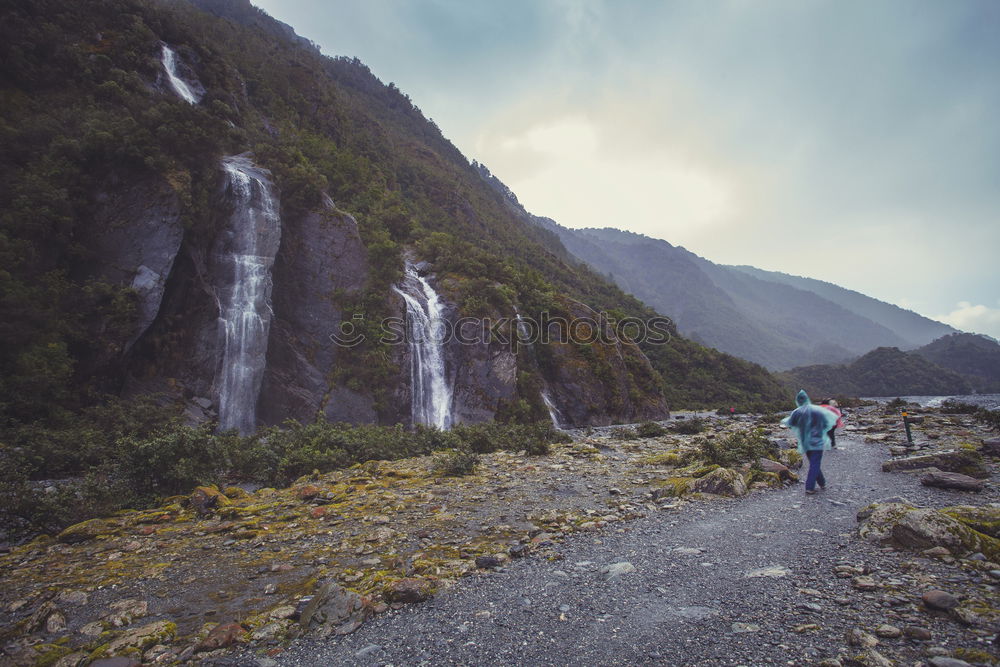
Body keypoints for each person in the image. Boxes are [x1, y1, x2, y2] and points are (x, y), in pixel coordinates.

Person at [782, 390, 839, 495]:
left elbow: (790, 423)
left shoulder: (797, 411)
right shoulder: (817, 410)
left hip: (805, 442)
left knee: (814, 463)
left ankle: (822, 483)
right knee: (815, 463)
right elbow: (827, 423)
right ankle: (809, 487)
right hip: (818, 441)